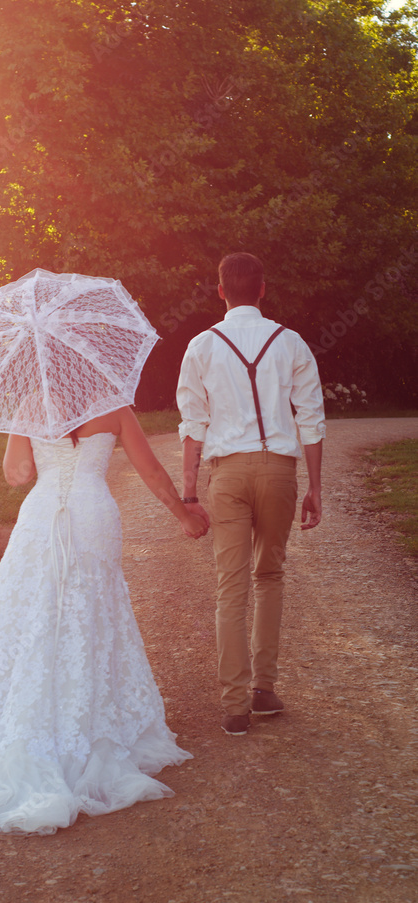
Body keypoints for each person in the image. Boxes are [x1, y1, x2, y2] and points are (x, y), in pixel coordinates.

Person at [0, 406, 207, 835]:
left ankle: (21, 725)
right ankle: (87, 727)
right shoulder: (114, 407)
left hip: (41, 516)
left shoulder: (32, 406)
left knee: (25, 613)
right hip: (92, 515)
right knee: (90, 619)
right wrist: (184, 515)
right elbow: (152, 470)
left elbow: (17, 475)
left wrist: (20, 423)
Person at [176, 252, 326, 736]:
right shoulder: (291, 342)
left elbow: (193, 425)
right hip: (279, 470)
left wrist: (189, 492)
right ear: (262, 289)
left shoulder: (201, 345)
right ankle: (264, 689)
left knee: (230, 584)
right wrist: (316, 487)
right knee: (270, 575)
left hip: (227, 473)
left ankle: (234, 706)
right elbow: (311, 419)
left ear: (220, 291)